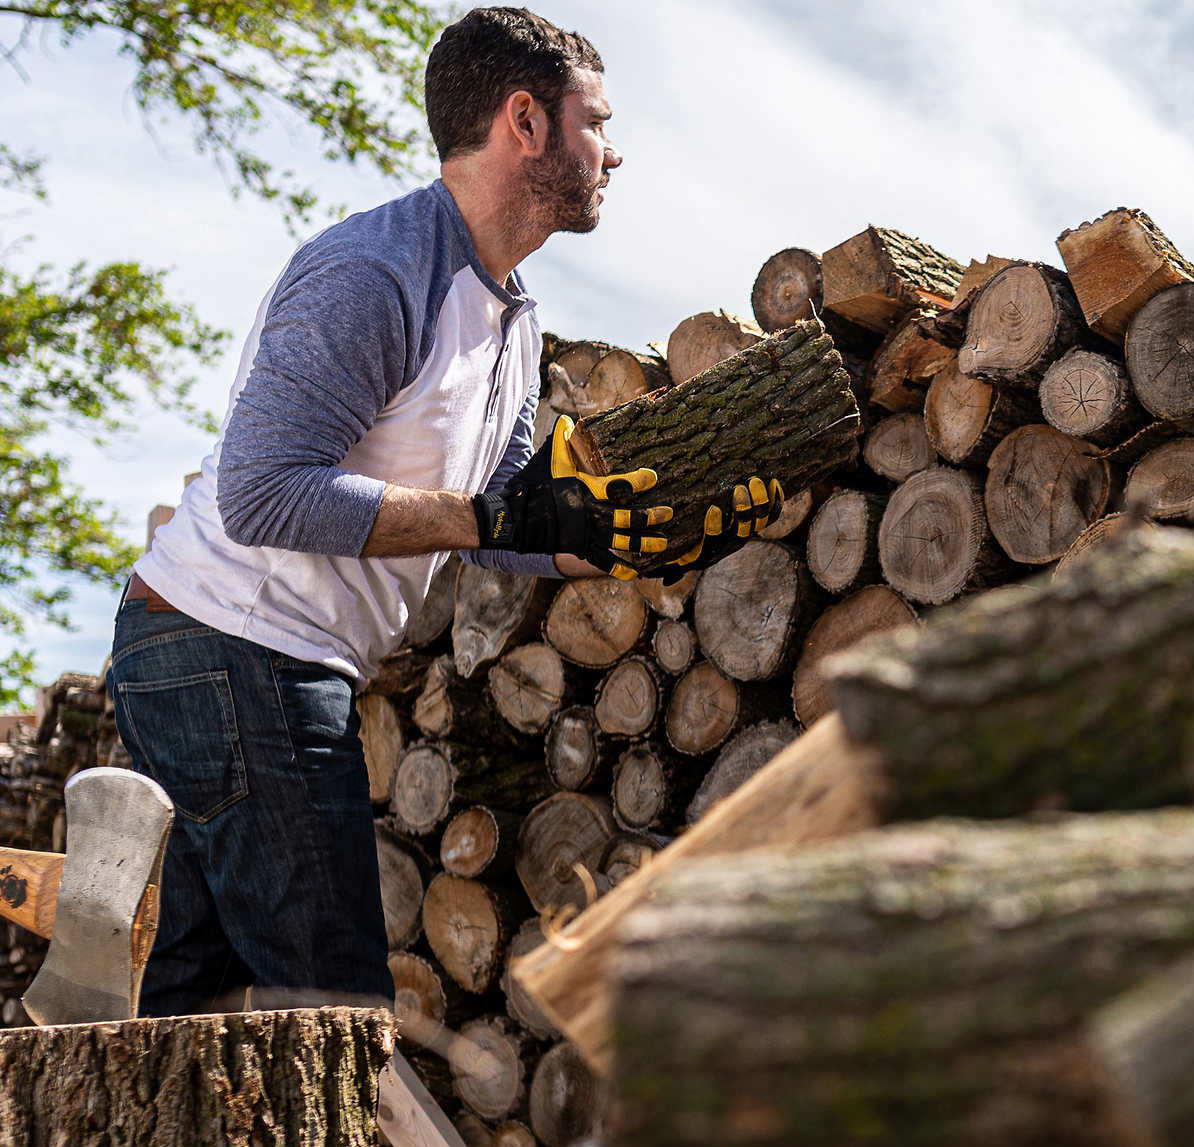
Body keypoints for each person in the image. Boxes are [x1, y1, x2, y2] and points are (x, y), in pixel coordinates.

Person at [107, 6, 777, 1017]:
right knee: (331, 1010)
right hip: (229, 645)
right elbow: (261, 493)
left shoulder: (511, 318)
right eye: (596, 120)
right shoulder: (375, 275)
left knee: (187, 1015)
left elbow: (505, 519)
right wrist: (503, 521)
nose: (617, 151)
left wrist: (613, 546)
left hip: (250, 657)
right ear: (525, 121)